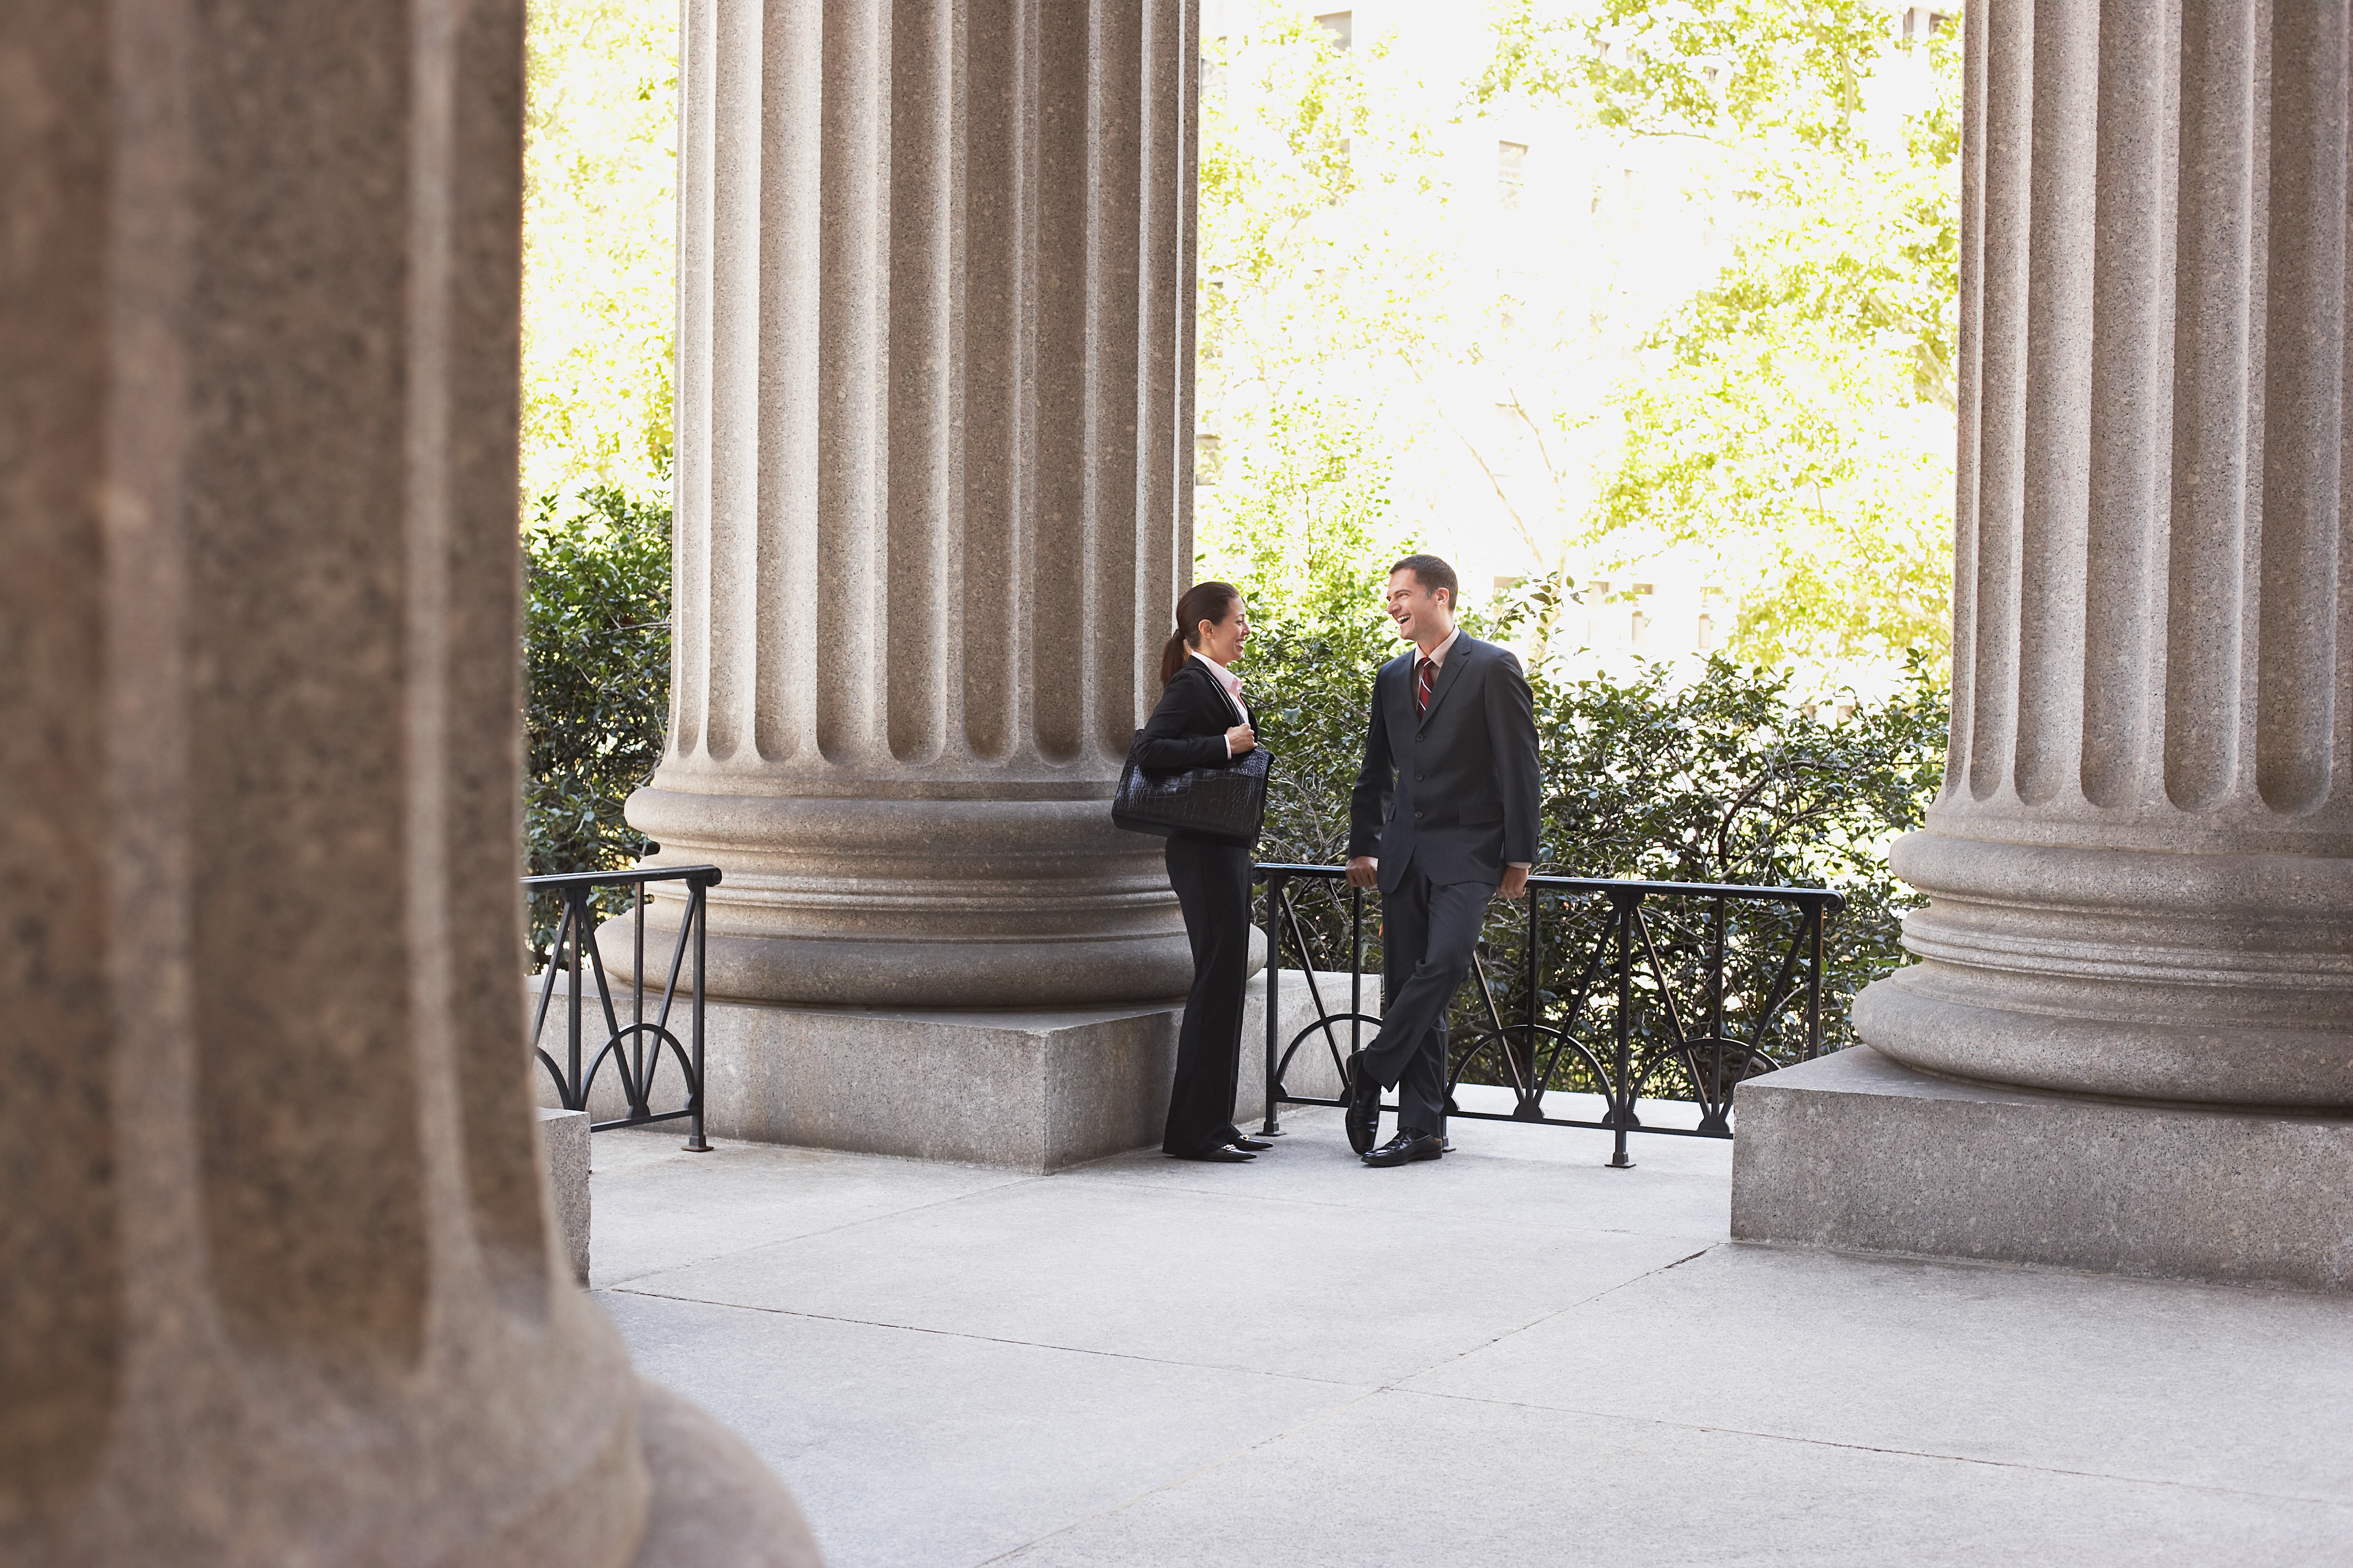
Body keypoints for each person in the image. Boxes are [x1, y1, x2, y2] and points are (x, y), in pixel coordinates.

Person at [1342, 554, 1541, 1167]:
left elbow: (1520, 766)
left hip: (1470, 854)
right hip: (1402, 855)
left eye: (1403, 595)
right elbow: (1377, 772)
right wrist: (1362, 844)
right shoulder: (1391, 676)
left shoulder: (1493, 667)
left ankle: (1371, 1068)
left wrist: (1521, 855)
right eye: (1389, 599)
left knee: (1448, 963)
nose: (1394, 607)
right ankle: (1422, 1128)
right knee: (1408, 987)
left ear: (1442, 597)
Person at [1136, 581, 1272, 1163]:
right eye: (1238, 621)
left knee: (1225, 983)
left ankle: (1214, 1122)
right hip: (1202, 850)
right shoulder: (1194, 682)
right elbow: (1150, 749)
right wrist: (1223, 743)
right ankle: (1194, 1132)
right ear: (1207, 630)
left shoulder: (1217, 682)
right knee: (1217, 982)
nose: (1245, 630)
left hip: (1223, 847)